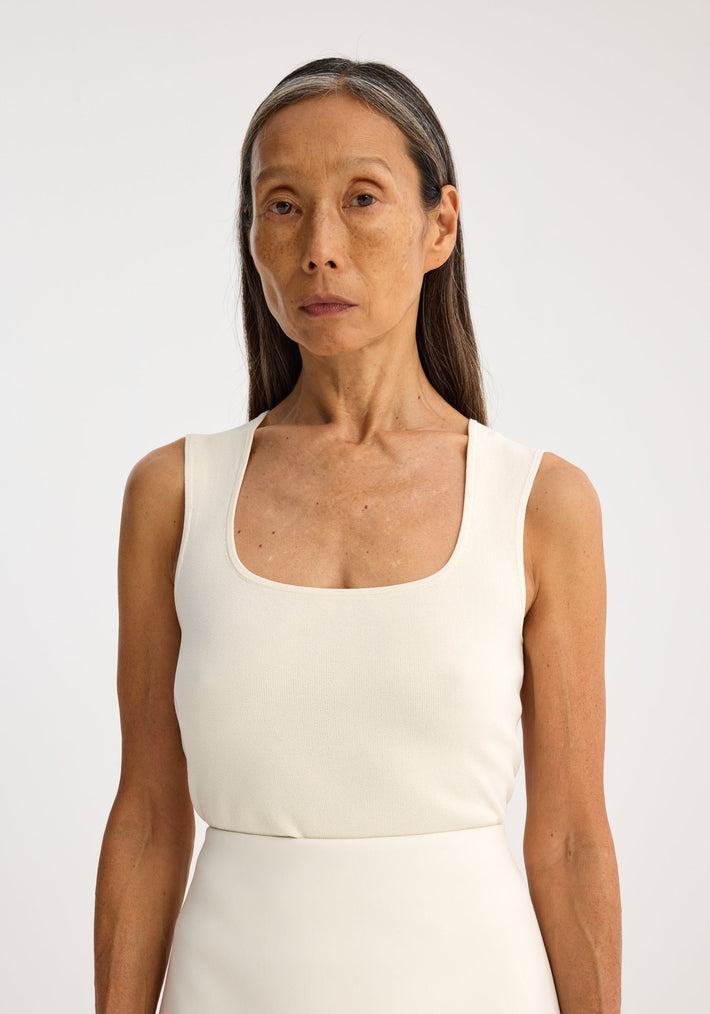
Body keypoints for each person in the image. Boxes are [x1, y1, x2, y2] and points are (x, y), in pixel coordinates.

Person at [94, 57, 622, 1014]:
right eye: (282, 205)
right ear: (250, 236)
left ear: (440, 226)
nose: (319, 247)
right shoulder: (173, 496)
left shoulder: (540, 505)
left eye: (363, 198)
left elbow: (573, 839)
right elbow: (146, 820)